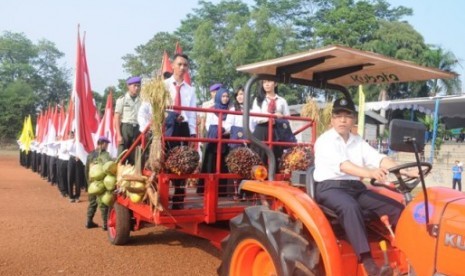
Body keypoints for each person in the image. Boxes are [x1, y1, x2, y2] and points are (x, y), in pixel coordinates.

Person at [313, 97, 410, 276]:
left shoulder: (358, 141)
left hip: (355, 187)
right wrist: (370, 173)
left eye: (347, 116)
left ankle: (409, 253)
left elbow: (379, 158)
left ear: (353, 119)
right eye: (338, 115)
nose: (343, 120)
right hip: (330, 187)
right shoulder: (324, 141)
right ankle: (367, 262)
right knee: (350, 207)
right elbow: (344, 165)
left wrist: (403, 171)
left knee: (396, 207)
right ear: (332, 119)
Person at [164, 53, 197, 210]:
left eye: (185, 65)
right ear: (172, 65)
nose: (182, 67)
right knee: (163, 161)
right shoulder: (163, 86)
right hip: (167, 127)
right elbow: (155, 109)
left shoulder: (190, 90)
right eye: (179, 64)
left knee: (182, 162)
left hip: (182, 128)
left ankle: (178, 199)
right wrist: (170, 117)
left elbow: (192, 114)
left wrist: (192, 133)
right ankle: (161, 197)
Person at [197, 87, 231, 196]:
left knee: (223, 164)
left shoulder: (231, 110)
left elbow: (230, 125)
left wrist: (223, 129)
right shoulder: (212, 109)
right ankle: (207, 189)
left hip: (225, 139)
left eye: (227, 96)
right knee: (210, 163)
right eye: (223, 96)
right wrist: (220, 129)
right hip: (213, 140)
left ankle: (221, 191)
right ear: (218, 97)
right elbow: (208, 125)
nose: (225, 99)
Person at [250, 79, 290, 170]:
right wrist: (273, 116)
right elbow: (256, 118)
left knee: (276, 158)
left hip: (277, 131)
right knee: (260, 158)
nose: (266, 84)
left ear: (275, 83)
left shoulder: (282, 101)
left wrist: (281, 118)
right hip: (262, 130)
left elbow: (287, 119)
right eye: (264, 82)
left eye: (269, 81)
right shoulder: (258, 99)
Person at [85, 136, 112, 230]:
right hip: (101, 183)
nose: (107, 146)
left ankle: (88, 221)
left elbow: (86, 170)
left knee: (92, 202)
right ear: (103, 144)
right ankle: (105, 224)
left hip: (92, 183)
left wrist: (88, 184)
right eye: (107, 144)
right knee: (103, 203)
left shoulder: (90, 155)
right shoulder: (106, 155)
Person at [114, 76, 142, 165]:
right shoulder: (122, 99)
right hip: (126, 127)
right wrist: (118, 135)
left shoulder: (142, 100)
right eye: (134, 86)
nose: (137, 88)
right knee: (122, 152)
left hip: (137, 128)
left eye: (138, 86)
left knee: (136, 153)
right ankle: (120, 173)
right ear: (128, 86)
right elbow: (117, 117)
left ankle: (133, 174)